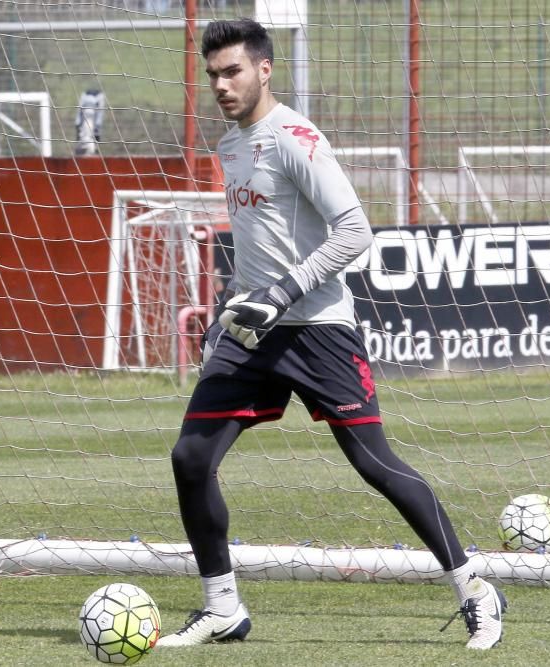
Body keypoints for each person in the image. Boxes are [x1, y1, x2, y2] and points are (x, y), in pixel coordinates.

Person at [158, 18, 507, 650]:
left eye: (232, 70)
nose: (221, 85)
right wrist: (235, 305)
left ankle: (475, 589)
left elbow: (354, 230)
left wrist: (285, 293)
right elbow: (263, 244)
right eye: (213, 74)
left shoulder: (295, 138)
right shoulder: (231, 147)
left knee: (374, 464)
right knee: (190, 458)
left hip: (318, 329)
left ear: (265, 69)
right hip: (253, 330)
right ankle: (222, 609)